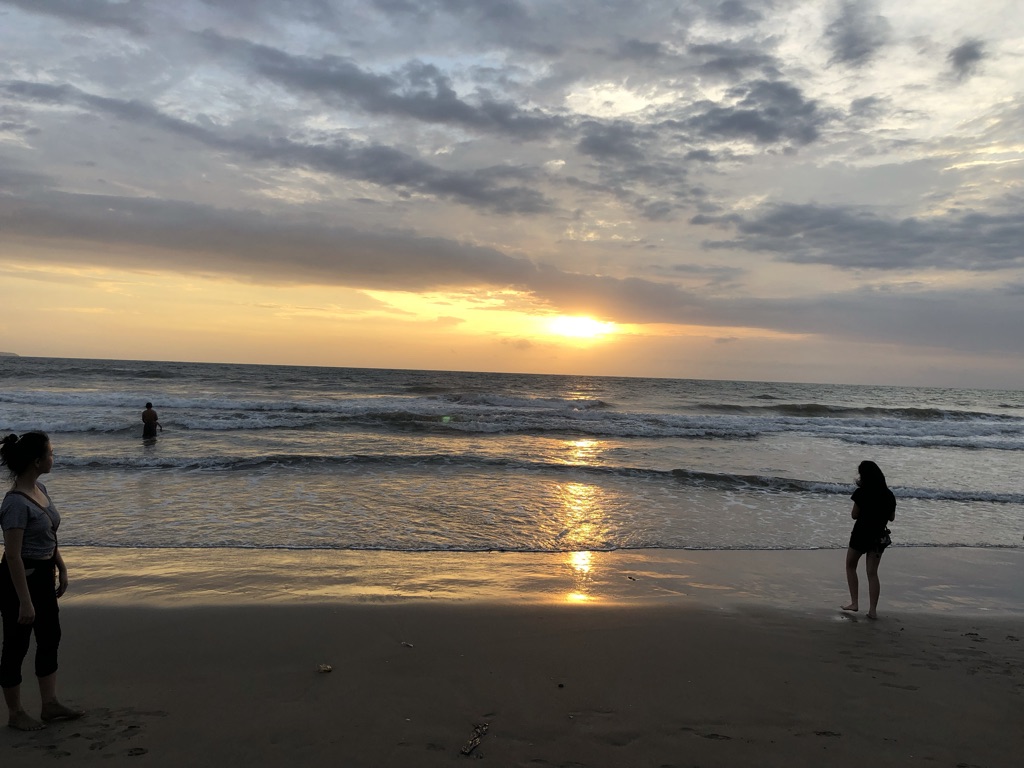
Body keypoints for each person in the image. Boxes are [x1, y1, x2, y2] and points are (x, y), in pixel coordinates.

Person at [0, 432, 82, 730]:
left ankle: (49, 704)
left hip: (45, 573)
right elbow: (13, 555)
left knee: (50, 637)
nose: (53, 457)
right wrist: (25, 601)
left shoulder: (40, 489)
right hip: (20, 580)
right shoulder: (15, 504)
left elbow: (48, 533)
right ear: (37, 461)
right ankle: (15, 714)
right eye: (50, 453)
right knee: (16, 645)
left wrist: (61, 566)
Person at [841, 460, 897, 620]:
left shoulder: (861, 492)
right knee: (872, 573)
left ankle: (854, 603)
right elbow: (891, 518)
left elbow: (854, 515)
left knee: (851, 565)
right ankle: (873, 610)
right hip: (878, 536)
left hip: (861, 533)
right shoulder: (889, 495)